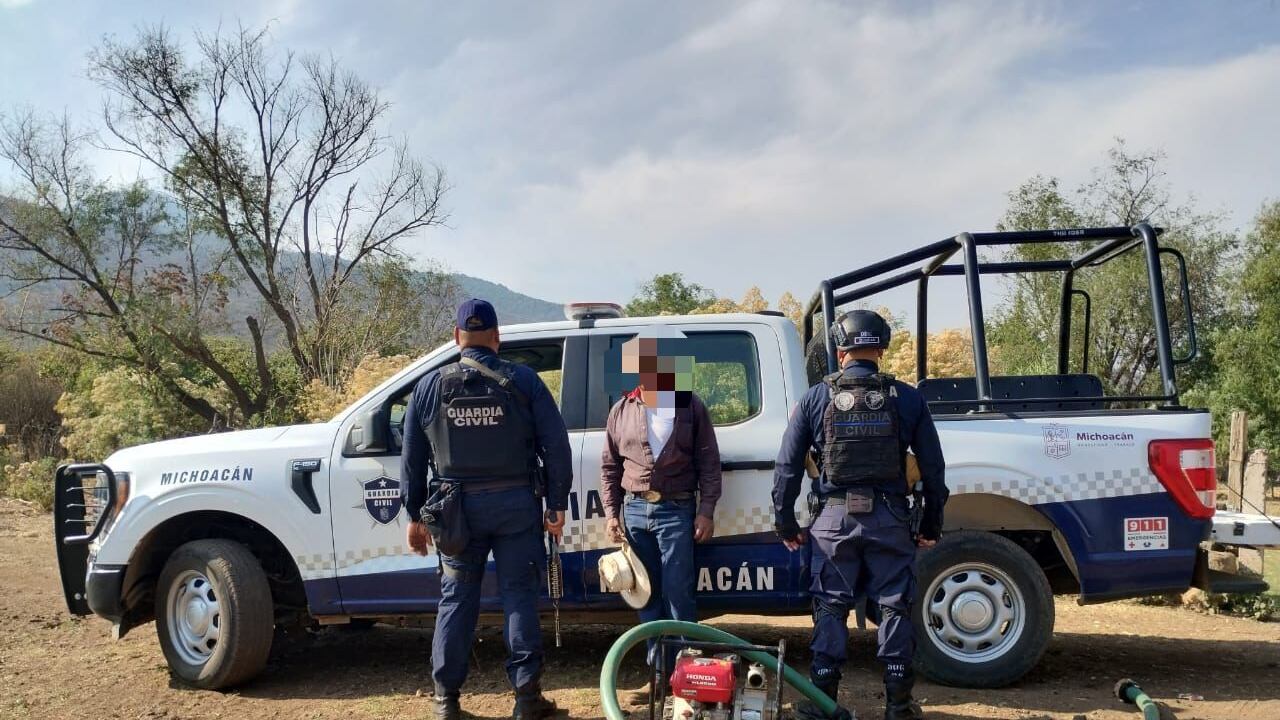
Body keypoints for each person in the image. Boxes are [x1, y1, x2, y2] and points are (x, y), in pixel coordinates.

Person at [402, 298, 573, 720]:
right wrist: (555, 503)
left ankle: (446, 702)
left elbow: (409, 460)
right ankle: (527, 699)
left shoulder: (428, 387)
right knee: (519, 597)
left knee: (457, 601)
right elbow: (556, 446)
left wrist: (413, 516)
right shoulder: (525, 381)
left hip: (455, 513)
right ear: (497, 337)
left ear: (457, 338)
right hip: (516, 507)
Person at [772, 309, 947, 720]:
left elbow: (787, 466)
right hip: (889, 518)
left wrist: (784, 520)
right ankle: (898, 705)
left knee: (830, 606)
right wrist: (931, 522)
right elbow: (933, 468)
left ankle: (822, 703)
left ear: (839, 348)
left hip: (834, 520)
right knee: (893, 605)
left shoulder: (816, 397)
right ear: (882, 348)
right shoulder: (908, 398)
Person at [600, 332, 721, 695]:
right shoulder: (620, 410)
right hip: (635, 512)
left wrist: (706, 511)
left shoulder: (690, 405)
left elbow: (709, 464)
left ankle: (689, 676)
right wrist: (611, 514)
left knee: (679, 594)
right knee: (646, 594)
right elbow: (609, 468)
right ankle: (659, 675)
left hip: (676, 511)